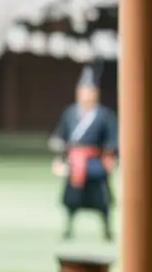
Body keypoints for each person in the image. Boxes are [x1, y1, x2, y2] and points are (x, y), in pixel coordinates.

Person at [48, 62, 118, 241]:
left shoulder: (104, 115)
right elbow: (62, 138)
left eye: (90, 91)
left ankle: (107, 228)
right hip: (74, 161)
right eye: (83, 91)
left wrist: (110, 156)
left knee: (101, 199)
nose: (87, 95)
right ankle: (68, 227)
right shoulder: (70, 113)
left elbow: (112, 139)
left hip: (94, 161)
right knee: (72, 198)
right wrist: (60, 158)